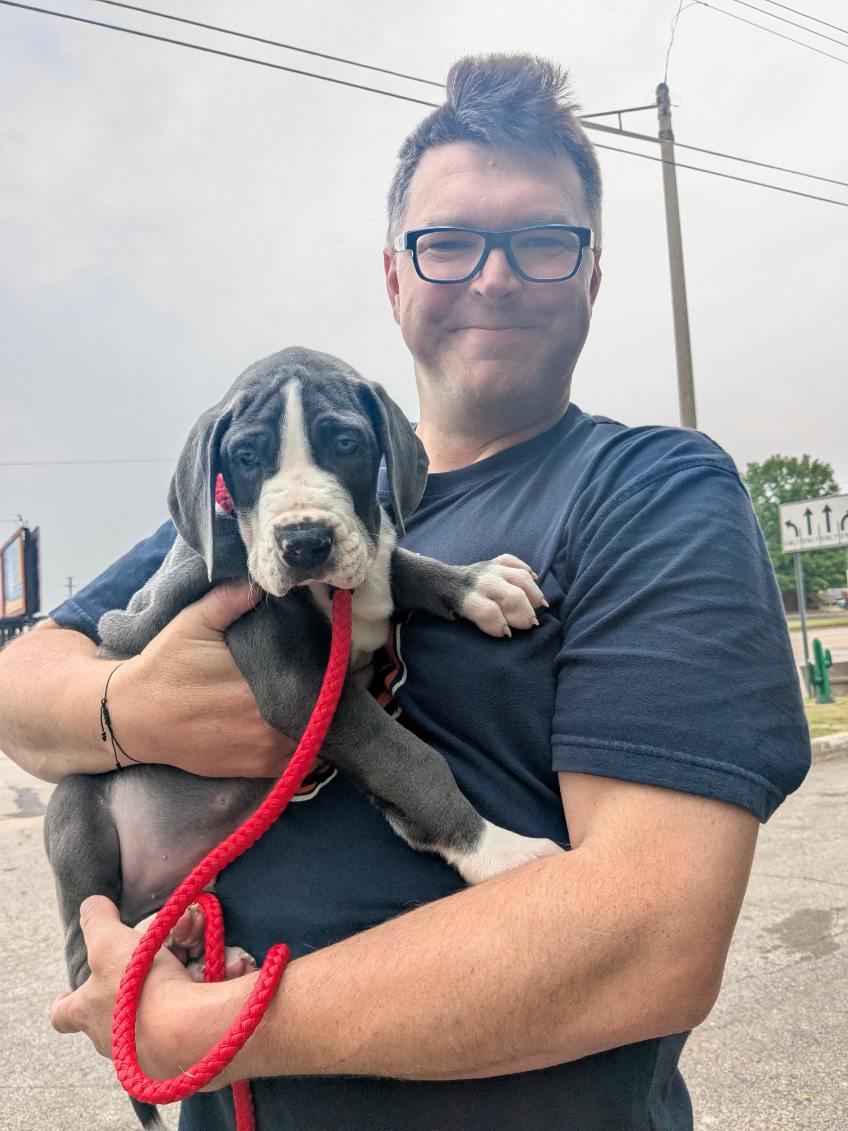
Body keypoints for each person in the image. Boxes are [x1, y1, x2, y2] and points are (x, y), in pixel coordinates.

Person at [0, 54, 809, 1131]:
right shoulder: (242, 509)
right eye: (448, 242)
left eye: (540, 240)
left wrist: (223, 1024)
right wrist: (129, 710)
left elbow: (647, 944)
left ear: (591, 275)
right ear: (394, 276)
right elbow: (24, 680)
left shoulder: (653, 492)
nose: (492, 277)